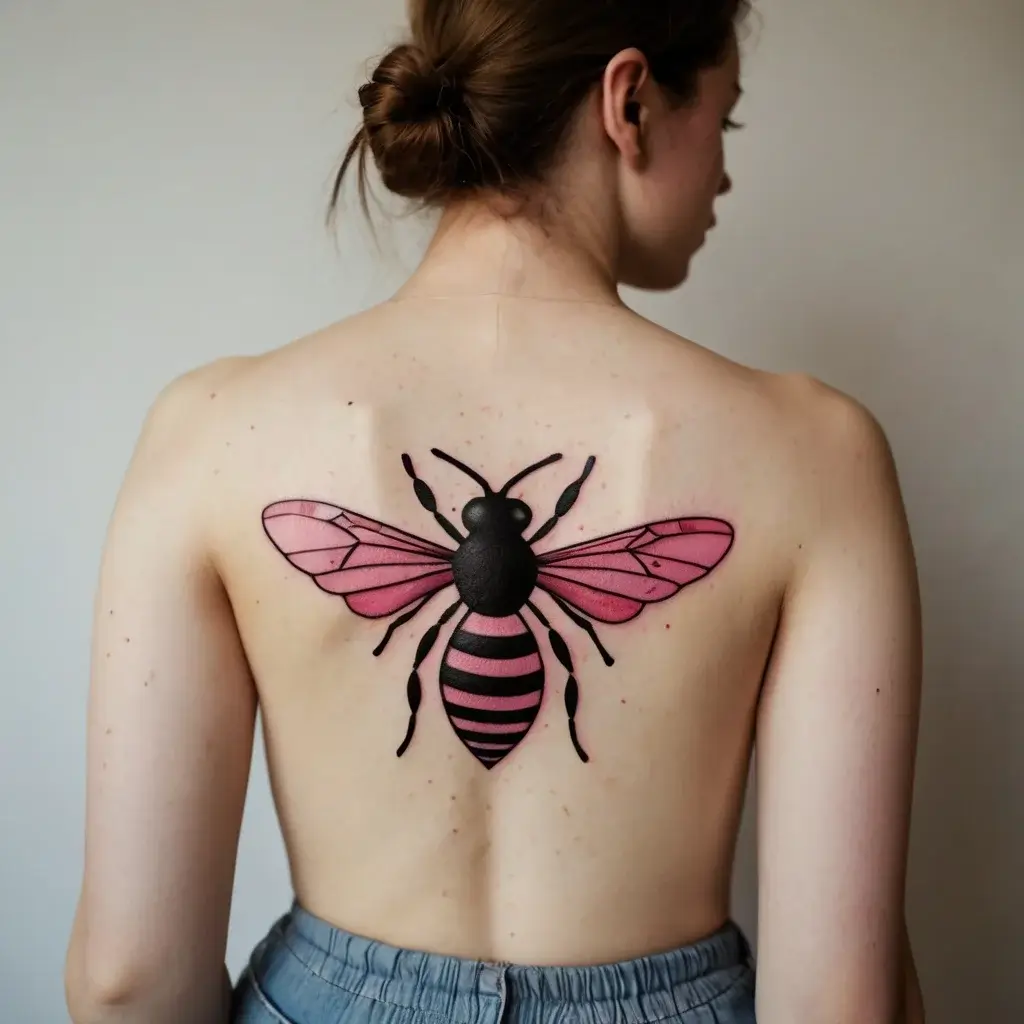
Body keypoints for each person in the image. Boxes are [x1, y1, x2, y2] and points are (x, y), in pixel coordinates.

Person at [64, 1, 927, 1022]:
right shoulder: (815, 453)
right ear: (631, 100)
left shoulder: (207, 431)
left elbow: (126, 981)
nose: (726, 171)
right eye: (724, 122)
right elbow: (840, 1002)